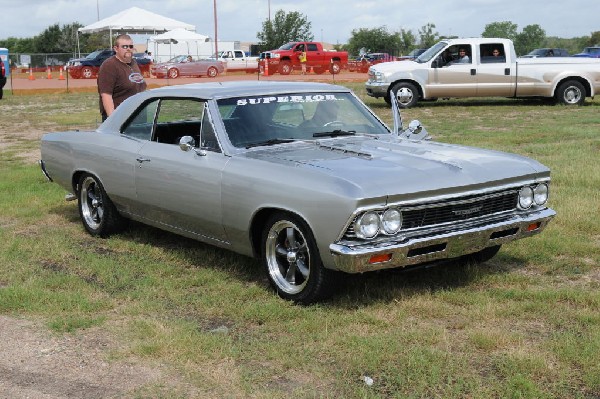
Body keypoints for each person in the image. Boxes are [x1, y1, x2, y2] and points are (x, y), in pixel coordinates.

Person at [97, 34, 146, 121]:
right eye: (124, 46)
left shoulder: (133, 63)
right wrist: (112, 120)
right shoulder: (109, 65)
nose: (128, 49)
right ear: (116, 48)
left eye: (130, 46)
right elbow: (106, 95)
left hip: (138, 116)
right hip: (120, 119)